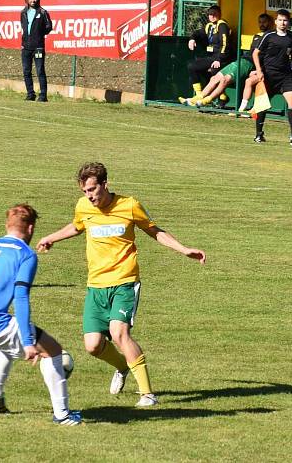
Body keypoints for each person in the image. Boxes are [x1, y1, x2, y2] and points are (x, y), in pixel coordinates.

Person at [36, 163, 206, 408]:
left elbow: (154, 230)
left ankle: (147, 394)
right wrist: (51, 237)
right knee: (92, 346)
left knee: (119, 334)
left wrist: (184, 249)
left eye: (93, 189)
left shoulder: (129, 205)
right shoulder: (84, 207)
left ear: (105, 184)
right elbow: (76, 226)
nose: (90, 196)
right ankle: (123, 366)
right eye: (85, 191)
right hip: (95, 286)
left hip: (124, 283)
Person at [0, 204, 82, 426]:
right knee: (53, 351)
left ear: (6, 225)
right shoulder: (26, 254)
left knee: (8, 341)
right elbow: (21, 297)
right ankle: (63, 415)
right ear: (30, 229)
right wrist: (29, 342)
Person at [180, 13, 273, 109]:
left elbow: (268, 57)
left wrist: (259, 69)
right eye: (260, 22)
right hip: (241, 60)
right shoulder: (257, 36)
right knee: (214, 78)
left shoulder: (271, 37)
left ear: (270, 23)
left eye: (264, 22)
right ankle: (195, 99)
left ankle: (205, 101)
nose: (262, 24)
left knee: (225, 80)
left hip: (248, 64)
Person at [251, 9, 292, 145]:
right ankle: (259, 134)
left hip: (286, 76)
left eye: (285, 20)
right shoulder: (268, 36)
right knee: (263, 105)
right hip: (269, 76)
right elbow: (255, 53)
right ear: (276, 21)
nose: (283, 23)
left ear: (289, 22)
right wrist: (259, 71)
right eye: (280, 20)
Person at [186, 5, 235, 105]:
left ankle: (220, 97)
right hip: (212, 57)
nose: (212, 16)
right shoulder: (209, 26)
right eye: (210, 14)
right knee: (192, 66)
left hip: (222, 58)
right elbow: (198, 33)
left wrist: (219, 59)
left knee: (214, 71)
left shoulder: (222, 25)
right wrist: (192, 39)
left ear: (219, 14)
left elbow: (225, 44)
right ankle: (199, 95)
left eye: (214, 14)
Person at [20, 0, 53, 102]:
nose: (33, 0)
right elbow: (23, 28)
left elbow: (49, 27)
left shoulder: (43, 12)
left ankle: (43, 96)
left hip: (38, 47)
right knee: (26, 71)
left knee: (40, 70)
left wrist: (39, 34)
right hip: (26, 47)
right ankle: (30, 94)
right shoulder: (23, 12)